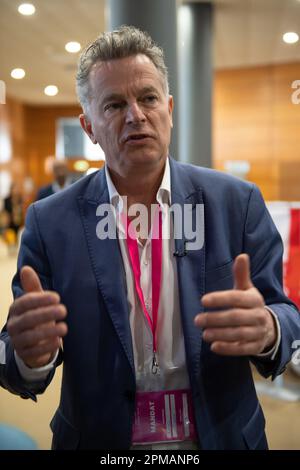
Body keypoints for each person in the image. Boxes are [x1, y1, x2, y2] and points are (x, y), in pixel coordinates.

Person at [0, 25, 300, 451]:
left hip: (220, 437)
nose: (136, 115)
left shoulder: (237, 203)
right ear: (89, 127)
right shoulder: (50, 223)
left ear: (170, 108)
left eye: (148, 98)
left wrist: (268, 328)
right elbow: (13, 351)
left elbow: (287, 314)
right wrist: (32, 356)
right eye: (115, 104)